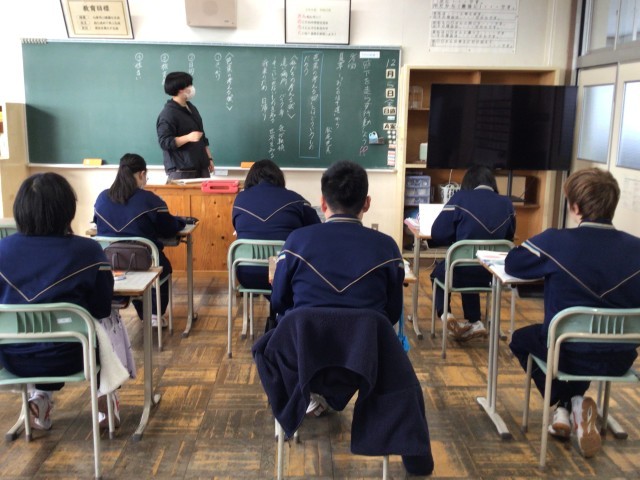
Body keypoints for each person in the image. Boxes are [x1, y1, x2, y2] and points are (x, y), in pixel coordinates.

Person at [267, 160, 433, 475]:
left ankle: (308, 401)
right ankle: (414, 459)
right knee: (395, 361)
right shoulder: (387, 248)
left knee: (275, 338)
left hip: (305, 359)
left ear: (322, 202)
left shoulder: (297, 242)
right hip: (365, 362)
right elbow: (392, 312)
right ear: (366, 203)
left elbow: (279, 302)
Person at [506, 168, 640, 458]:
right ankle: (573, 407)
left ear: (575, 207)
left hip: (566, 353)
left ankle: (567, 403)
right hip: (620, 358)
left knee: (521, 340)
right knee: (581, 343)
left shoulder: (556, 242)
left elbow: (513, 264)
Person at [0, 173, 115, 430]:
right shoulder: (88, 251)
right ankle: (106, 398)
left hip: (12, 359)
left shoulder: (2, 250)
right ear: (67, 208)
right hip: (73, 356)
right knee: (107, 325)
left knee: (40, 335)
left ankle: (40, 397)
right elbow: (102, 308)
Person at [94, 153, 186, 327]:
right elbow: (169, 228)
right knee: (163, 267)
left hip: (110, 261)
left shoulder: (102, 198)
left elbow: (97, 226)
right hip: (145, 260)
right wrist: (181, 221)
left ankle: (138, 312)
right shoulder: (149, 199)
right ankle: (154, 314)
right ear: (142, 174)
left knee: (134, 264)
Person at [430, 164, 516, 341]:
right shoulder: (507, 203)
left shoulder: (460, 198)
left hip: (460, 271)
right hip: (493, 275)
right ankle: (475, 322)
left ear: (468, 182)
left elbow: (438, 233)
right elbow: (509, 237)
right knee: (473, 263)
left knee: (440, 273)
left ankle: (446, 314)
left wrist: (456, 237)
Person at [232, 159, 321, 329]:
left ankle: (274, 317)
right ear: (279, 178)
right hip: (283, 276)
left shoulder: (240, 200)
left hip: (247, 274)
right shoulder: (295, 200)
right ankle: (283, 319)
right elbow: (316, 230)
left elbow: (238, 227)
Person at [156, 71, 213, 181]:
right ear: (180, 89)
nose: (192, 88)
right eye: (189, 85)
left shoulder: (191, 108)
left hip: (201, 167)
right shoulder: (168, 114)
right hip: (182, 171)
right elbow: (164, 142)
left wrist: (209, 158)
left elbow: (202, 137)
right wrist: (188, 137)